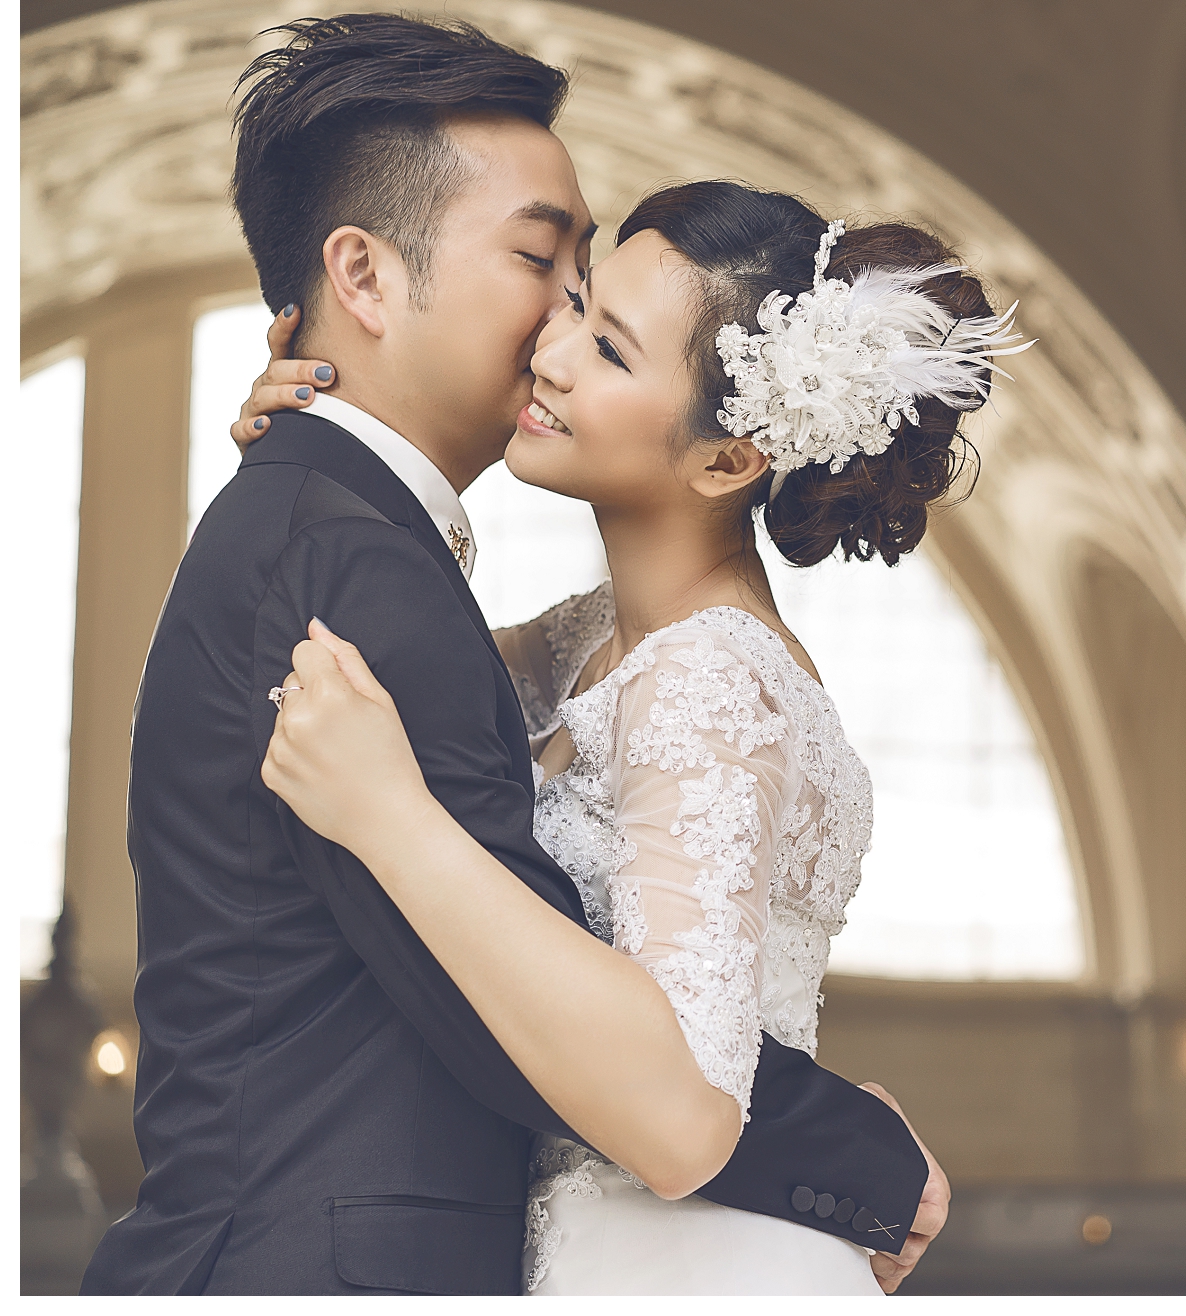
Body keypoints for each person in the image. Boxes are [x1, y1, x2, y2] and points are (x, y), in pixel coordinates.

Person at [83, 15, 946, 1296]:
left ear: (728, 455)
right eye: (553, 273)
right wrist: (858, 1151)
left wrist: (318, 486)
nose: (553, 328)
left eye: (594, 314)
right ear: (365, 278)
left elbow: (631, 1044)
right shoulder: (383, 576)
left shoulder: (660, 657)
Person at [255, 177, 1024, 1294]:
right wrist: (322, 432)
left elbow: (683, 1127)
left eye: (609, 351)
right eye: (573, 305)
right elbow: (394, 639)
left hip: (681, 1265)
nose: (551, 352)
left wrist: (391, 823)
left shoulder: (710, 677)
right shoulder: (582, 645)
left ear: (726, 461)